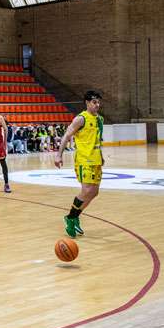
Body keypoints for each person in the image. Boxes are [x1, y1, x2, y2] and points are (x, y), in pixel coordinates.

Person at [54, 90, 103, 238]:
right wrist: (58, 155)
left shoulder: (100, 119)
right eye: (94, 102)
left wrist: (101, 155)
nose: (97, 105)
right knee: (87, 190)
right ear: (87, 103)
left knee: (94, 192)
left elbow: (98, 139)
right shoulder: (81, 119)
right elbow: (66, 136)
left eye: (98, 102)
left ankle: (75, 216)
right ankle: (70, 217)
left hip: (96, 159)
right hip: (83, 160)